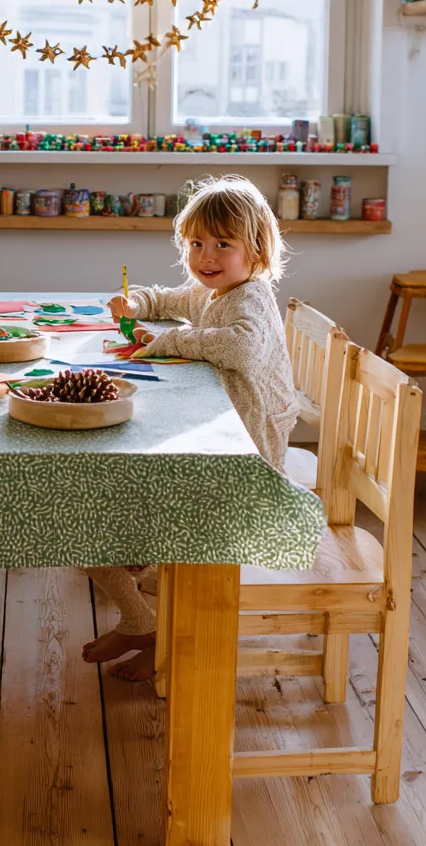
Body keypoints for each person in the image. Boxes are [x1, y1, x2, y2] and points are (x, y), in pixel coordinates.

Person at [85, 175, 298, 682]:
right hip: (218, 445)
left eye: (224, 244)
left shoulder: (248, 298)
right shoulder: (213, 291)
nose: (207, 255)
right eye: (197, 243)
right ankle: (147, 623)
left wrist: (171, 342)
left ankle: (162, 634)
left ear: (257, 251)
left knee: (92, 521)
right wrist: (135, 303)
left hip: (245, 463)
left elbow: (241, 347)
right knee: (107, 525)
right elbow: (163, 299)